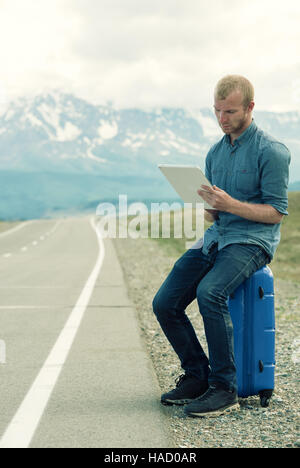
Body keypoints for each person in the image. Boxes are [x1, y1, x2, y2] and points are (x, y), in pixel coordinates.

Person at [152, 75, 291, 418]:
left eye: (230, 111)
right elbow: (217, 215)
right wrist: (210, 206)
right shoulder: (215, 152)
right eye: (217, 111)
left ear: (250, 108)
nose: (222, 118)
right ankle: (198, 376)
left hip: (253, 240)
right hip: (219, 236)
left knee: (210, 292)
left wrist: (229, 206)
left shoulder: (272, 152)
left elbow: (275, 214)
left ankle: (224, 388)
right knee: (164, 303)